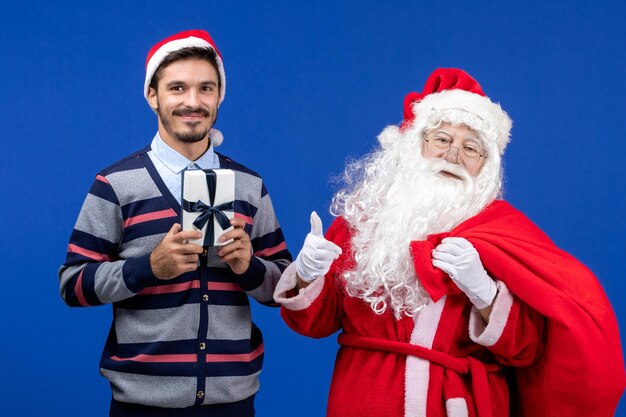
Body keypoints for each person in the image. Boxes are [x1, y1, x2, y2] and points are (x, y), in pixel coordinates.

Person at [274, 68, 625, 417]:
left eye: (470, 148)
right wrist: (306, 276)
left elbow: (526, 351)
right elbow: (315, 324)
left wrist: (486, 295)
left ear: (485, 166)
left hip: (460, 404)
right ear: (415, 145)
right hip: (362, 398)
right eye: (442, 140)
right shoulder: (364, 222)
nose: (453, 155)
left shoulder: (504, 232)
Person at [59, 29, 292, 416]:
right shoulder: (115, 184)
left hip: (233, 401)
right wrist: (147, 268)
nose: (193, 101)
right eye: (177, 88)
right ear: (153, 95)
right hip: (142, 402)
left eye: (206, 88)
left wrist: (248, 267)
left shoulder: (250, 186)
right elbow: (73, 285)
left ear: (219, 96)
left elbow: (283, 289)